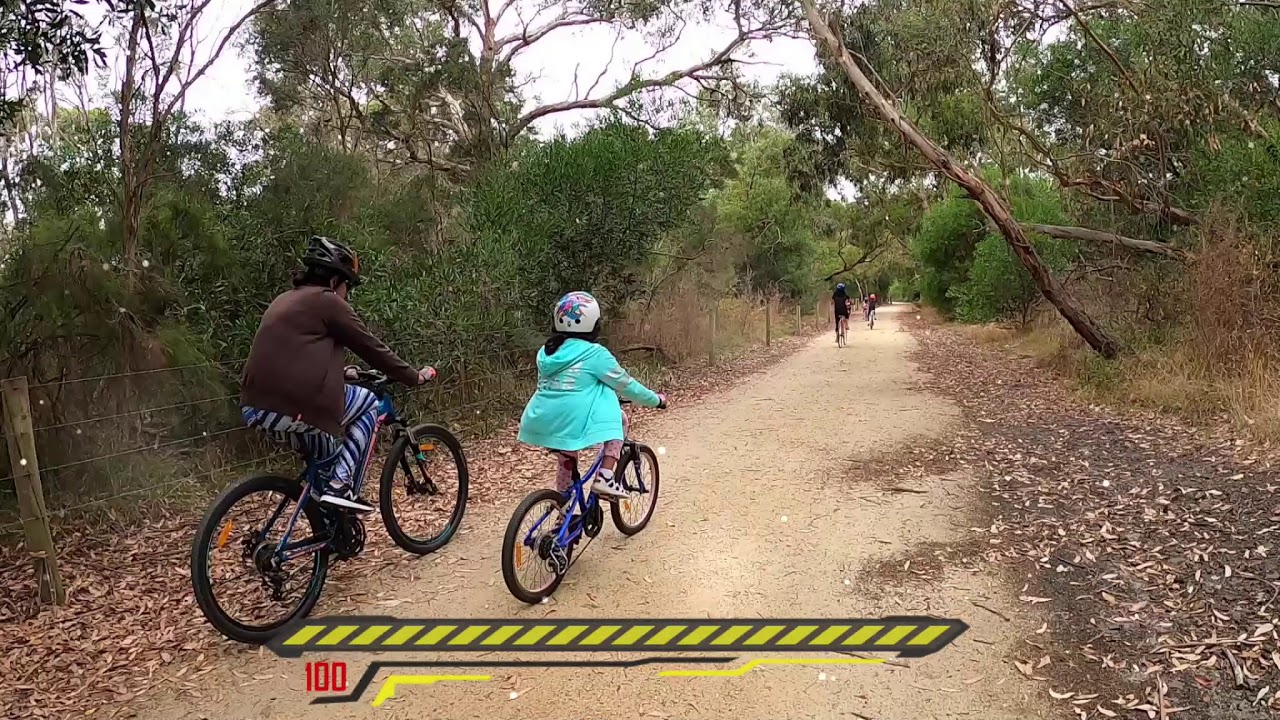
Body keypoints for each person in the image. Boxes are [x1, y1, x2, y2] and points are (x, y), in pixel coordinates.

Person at [240, 236, 436, 514]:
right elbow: (372, 348)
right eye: (348, 287)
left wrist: (342, 372)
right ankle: (340, 488)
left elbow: (295, 357)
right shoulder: (328, 301)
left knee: (326, 455)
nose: (347, 295)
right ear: (335, 281)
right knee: (368, 403)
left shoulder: (286, 300)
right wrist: (412, 376)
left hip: (255, 405)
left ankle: (328, 530)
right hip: (296, 404)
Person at [518, 291, 667, 501]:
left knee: (566, 458)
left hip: (541, 418)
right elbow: (626, 385)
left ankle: (563, 507)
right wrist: (656, 400)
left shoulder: (547, 351)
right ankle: (606, 476)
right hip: (573, 420)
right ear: (594, 324)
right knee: (619, 420)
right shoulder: (595, 353)